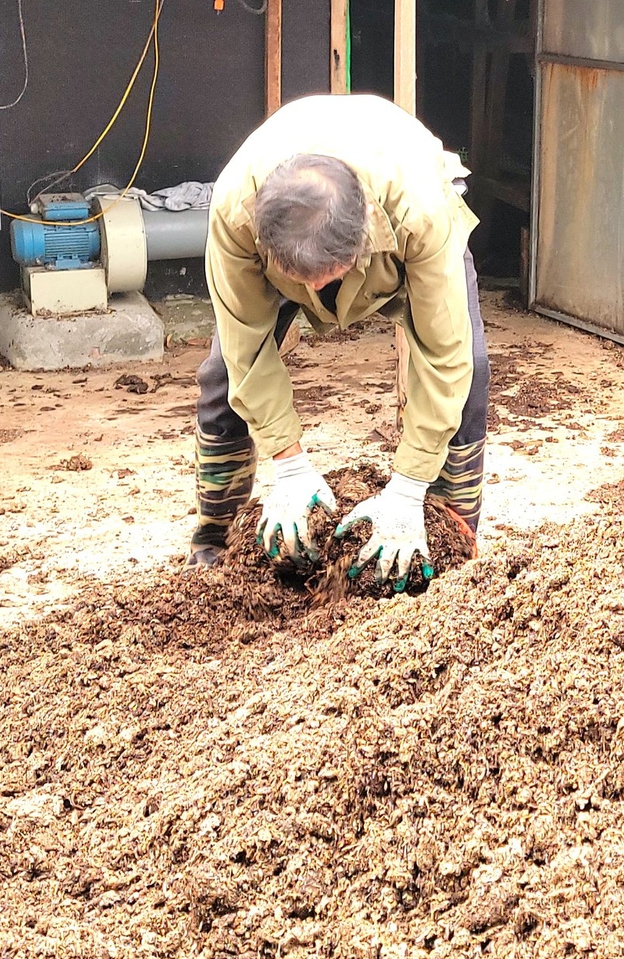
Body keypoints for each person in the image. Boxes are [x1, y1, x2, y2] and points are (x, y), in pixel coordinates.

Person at [188, 94, 488, 590]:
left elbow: (444, 356)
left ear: (361, 236)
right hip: (285, 240)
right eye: (300, 278)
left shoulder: (420, 211)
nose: (314, 293)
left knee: (470, 374)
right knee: (222, 383)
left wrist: (408, 487)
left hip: (403, 237)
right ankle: (215, 558)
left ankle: (448, 552)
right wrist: (288, 463)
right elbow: (247, 345)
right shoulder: (234, 213)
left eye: (327, 276)